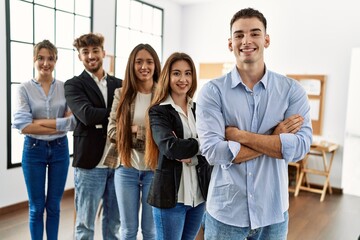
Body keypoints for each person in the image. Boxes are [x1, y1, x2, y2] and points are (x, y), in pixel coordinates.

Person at [195, 8, 313, 240]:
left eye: (254, 33)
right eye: (239, 35)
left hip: (273, 216)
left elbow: (300, 147)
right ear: (230, 43)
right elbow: (212, 152)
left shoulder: (291, 91)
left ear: (266, 40)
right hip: (226, 215)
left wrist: (239, 136)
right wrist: (276, 137)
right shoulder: (212, 92)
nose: (246, 40)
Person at [12, 39, 76, 240]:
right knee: (36, 207)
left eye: (50, 58)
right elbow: (23, 125)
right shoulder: (24, 89)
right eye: (41, 58)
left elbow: (72, 124)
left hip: (60, 150)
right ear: (34, 59)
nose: (45, 63)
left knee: (54, 206)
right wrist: (58, 123)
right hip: (33, 149)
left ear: (56, 61)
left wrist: (39, 122)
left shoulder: (65, 88)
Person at [64, 33, 122, 240]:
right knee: (85, 224)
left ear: (103, 53)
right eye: (85, 52)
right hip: (90, 165)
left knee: (114, 223)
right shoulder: (73, 85)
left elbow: (131, 114)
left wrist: (103, 117)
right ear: (79, 56)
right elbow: (86, 115)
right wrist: (117, 115)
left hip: (118, 164)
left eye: (95, 51)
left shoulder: (120, 84)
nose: (91, 56)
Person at [145, 52, 206, 240]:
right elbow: (171, 148)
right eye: (176, 73)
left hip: (199, 196)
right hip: (171, 198)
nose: (183, 79)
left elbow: (216, 144)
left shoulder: (200, 109)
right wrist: (202, 143)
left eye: (188, 73)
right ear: (167, 77)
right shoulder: (158, 111)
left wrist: (192, 149)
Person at [106, 43, 161, 240]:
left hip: (154, 170)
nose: (144, 66)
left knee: (150, 231)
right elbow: (112, 131)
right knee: (128, 230)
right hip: (126, 168)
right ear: (132, 65)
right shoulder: (121, 94)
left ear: (155, 65)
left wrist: (133, 131)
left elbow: (164, 134)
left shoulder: (163, 95)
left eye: (149, 62)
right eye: (139, 62)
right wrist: (145, 134)